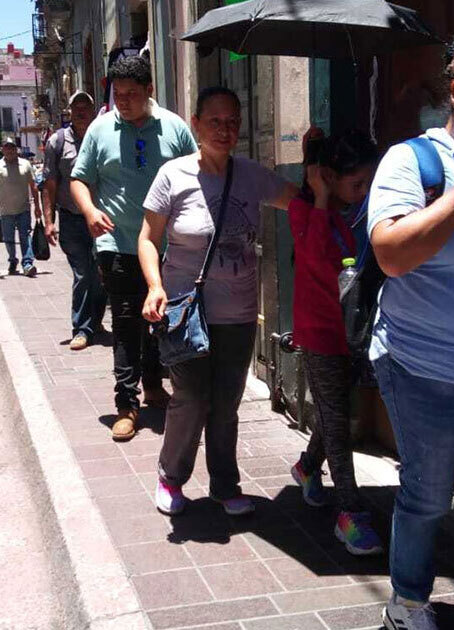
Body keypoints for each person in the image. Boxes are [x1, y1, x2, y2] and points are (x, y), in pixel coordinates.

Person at [140, 86, 300, 516]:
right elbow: (148, 239)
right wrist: (155, 286)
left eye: (233, 122)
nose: (225, 130)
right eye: (215, 121)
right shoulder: (172, 176)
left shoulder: (251, 175)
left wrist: (318, 165)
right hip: (187, 310)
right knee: (191, 398)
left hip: (239, 310)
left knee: (226, 401)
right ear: (195, 123)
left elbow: (299, 203)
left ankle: (225, 484)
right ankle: (171, 478)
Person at [368, 36, 454, 630]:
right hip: (420, 363)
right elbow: (391, 254)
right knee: (428, 496)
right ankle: (406, 603)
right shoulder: (413, 163)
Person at [70, 54, 197, 441]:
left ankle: (154, 383)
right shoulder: (100, 129)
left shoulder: (173, 128)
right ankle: (126, 403)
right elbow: (80, 179)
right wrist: (90, 210)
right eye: (117, 93)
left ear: (149, 91)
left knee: (159, 319)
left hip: (166, 247)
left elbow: (196, 173)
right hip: (117, 243)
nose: (122, 101)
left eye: (131, 94)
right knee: (125, 323)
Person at [285, 129, 385, 556]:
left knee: (333, 410)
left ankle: (307, 468)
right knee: (338, 422)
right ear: (328, 177)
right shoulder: (303, 210)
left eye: (368, 183)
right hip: (320, 331)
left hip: (350, 331)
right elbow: (312, 257)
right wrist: (322, 197)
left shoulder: (353, 214)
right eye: (356, 183)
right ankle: (350, 512)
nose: (363, 192)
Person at [43, 91, 108, 351]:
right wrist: (49, 221)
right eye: (76, 107)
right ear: (69, 111)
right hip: (71, 219)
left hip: (102, 219)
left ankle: (96, 322)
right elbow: (49, 183)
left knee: (102, 273)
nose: (81, 111)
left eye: (86, 106)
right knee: (83, 273)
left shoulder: (103, 137)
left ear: (93, 111)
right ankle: (81, 328)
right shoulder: (57, 142)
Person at [0, 137, 42, 277]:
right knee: (8, 239)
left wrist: (37, 206)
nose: (10, 150)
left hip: (23, 208)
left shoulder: (25, 164)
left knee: (25, 236)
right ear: (2, 150)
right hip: (6, 210)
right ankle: (12, 260)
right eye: (7, 147)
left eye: (12, 147)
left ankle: (28, 263)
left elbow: (34, 186)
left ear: (16, 149)